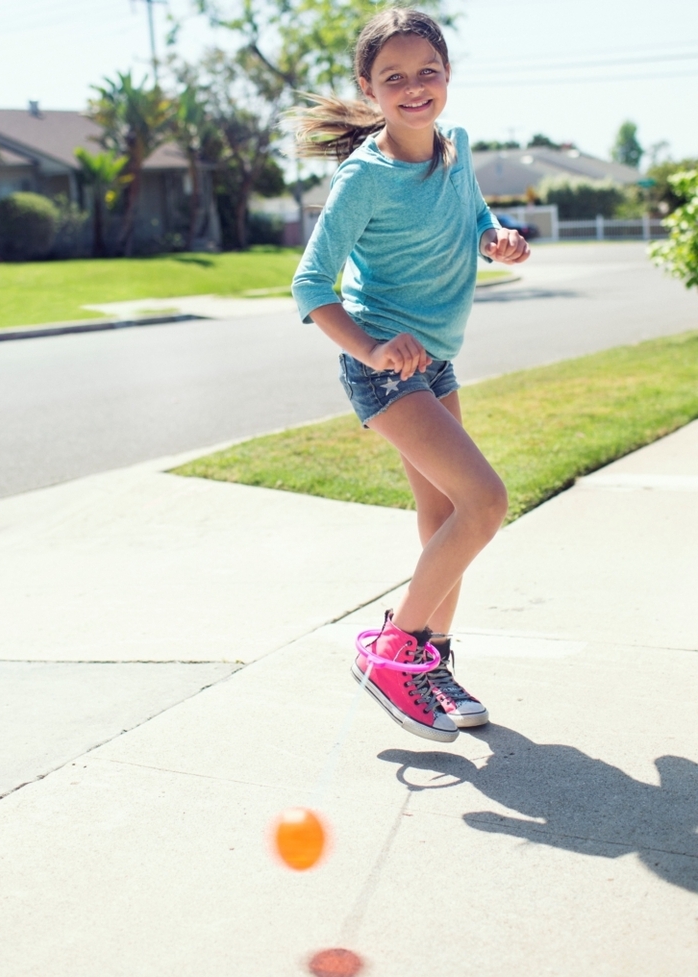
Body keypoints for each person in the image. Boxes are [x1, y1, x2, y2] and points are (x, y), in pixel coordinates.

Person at [291, 8, 530, 743]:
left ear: (448, 77)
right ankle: (392, 653)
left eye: (428, 71)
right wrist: (370, 349)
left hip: (438, 360)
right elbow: (310, 287)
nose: (414, 87)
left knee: (444, 519)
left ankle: (427, 661)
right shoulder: (365, 178)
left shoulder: (454, 148)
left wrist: (495, 238)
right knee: (485, 502)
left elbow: (474, 215)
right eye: (394, 77)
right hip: (387, 372)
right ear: (369, 87)